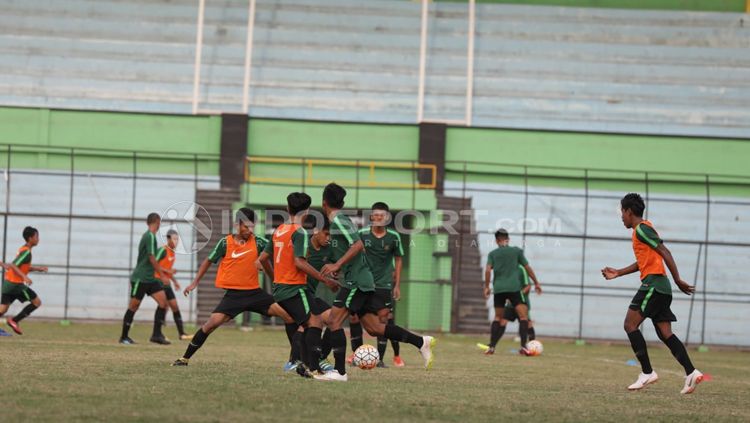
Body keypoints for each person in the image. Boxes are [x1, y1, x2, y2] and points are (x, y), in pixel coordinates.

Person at [314, 183, 435, 382]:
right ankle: (421, 341)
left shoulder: (339, 222)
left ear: (323, 202)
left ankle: (338, 371)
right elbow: (354, 248)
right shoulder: (341, 221)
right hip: (359, 280)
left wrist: (337, 265)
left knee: (334, 321)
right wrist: (340, 267)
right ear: (342, 202)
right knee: (374, 328)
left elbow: (358, 245)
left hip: (356, 283)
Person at [601, 193, 702, 394]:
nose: (621, 217)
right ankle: (691, 373)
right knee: (665, 334)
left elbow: (665, 251)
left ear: (629, 212)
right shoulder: (643, 230)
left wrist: (678, 279)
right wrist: (619, 272)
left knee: (630, 324)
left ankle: (647, 373)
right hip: (661, 287)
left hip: (654, 285)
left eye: (622, 212)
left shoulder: (642, 229)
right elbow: (644, 262)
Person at [172, 208, 295, 366]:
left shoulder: (259, 242)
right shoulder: (225, 243)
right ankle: (185, 358)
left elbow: (277, 251)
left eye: (252, 227)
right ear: (237, 225)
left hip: (255, 294)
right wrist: (195, 282)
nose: (249, 230)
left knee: (289, 317)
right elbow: (208, 261)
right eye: (246, 227)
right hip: (234, 297)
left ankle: (294, 360)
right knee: (210, 325)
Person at [258, 192, 339, 377]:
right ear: (307, 211)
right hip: (294, 287)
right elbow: (299, 262)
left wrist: (275, 279)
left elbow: (262, 259)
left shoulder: (279, 230)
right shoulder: (299, 232)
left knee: (309, 323)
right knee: (316, 322)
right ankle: (312, 367)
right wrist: (325, 279)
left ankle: (303, 363)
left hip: (281, 289)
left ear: (288, 209)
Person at [358, 201, 405, 367]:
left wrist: (397, 285)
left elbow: (399, 259)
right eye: (376, 215)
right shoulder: (362, 234)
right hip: (363, 284)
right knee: (354, 317)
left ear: (387, 218)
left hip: (384, 285)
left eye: (382, 215)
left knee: (384, 321)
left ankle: (380, 359)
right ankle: (357, 355)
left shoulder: (394, 237)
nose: (378, 218)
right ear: (371, 217)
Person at [482, 229, 541, 356]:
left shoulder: (493, 254)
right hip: (514, 289)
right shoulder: (516, 251)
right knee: (524, 317)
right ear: (508, 239)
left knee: (498, 317)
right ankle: (523, 347)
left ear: (497, 241)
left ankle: (491, 347)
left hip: (498, 289)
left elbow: (487, 270)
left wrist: (487, 287)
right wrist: (536, 282)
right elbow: (528, 268)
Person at [119, 213, 171, 345]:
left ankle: (156, 335)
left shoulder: (151, 237)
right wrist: (163, 275)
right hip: (140, 278)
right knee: (134, 306)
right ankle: (124, 337)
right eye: (160, 222)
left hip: (150, 278)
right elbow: (152, 258)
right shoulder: (149, 236)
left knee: (163, 303)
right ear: (157, 221)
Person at [0, 226, 48, 335]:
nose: (38, 239)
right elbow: (14, 265)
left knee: (2, 310)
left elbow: (22, 267)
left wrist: (38, 269)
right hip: (16, 285)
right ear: (30, 238)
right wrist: (24, 277)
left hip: (8, 283)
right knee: (37, 302)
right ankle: (14, 320)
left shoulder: (24, 249)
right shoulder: (26, 252)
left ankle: (13, 321)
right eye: (36, 236)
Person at [156, 229, 191, 340]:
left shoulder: (173, 253)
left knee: (174, 306)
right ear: (168, 239)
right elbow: (153, 264)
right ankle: (158, 334)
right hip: (158, 281)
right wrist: (168, 271)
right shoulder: (163, 250)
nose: (176, 241)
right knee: (163, 306)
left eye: (177, 239)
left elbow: (168, 270)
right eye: (174, 239)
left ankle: (182, 334)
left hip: (167, 282)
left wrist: (175, 282)